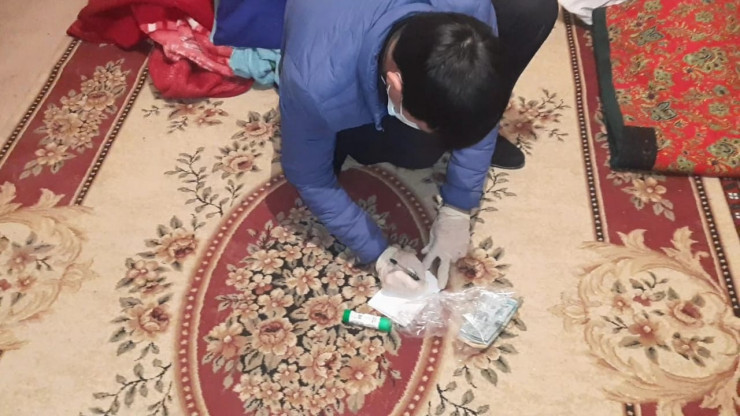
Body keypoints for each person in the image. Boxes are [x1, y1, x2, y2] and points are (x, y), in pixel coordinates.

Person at [279, 0, 558, 294]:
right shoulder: (313, 86)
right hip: (336, 61)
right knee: (416, 153)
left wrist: (459, 205)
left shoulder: (469, 9)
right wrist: (379, 254)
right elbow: (310, 177)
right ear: (395, 85)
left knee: (534, 8)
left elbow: (479, 86)